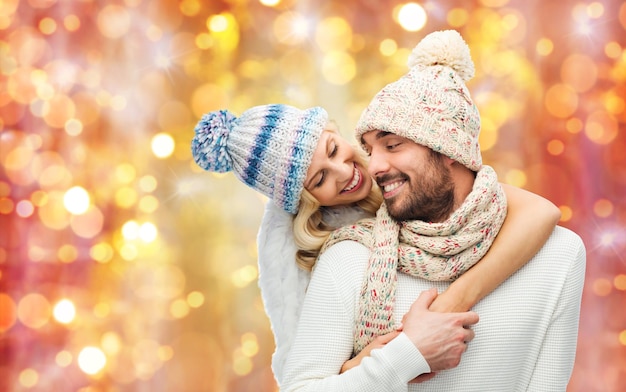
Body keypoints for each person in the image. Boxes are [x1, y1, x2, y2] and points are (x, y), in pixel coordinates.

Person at [280, 30, 586, 391]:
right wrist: (406, 355)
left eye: (392, 145)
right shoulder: (348, 259)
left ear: (447, 148)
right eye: (369, 148)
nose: (373, 166)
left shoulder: (559, 255)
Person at [191, 104, 560, 386]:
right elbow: (314, 374)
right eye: (320, 178)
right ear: (306, 200)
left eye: (334, 150)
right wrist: (381, 357)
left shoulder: (407, 173)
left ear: (335, 131)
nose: (346, 172)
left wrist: (450, 306)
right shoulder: (332, 255)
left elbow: (540, 211)